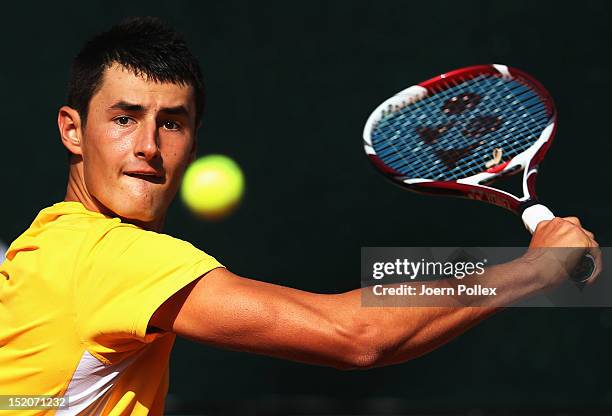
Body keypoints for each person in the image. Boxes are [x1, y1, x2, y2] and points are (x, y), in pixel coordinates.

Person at [0, 17, 600, 416]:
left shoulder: (41, 248)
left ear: (194, 139)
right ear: (73, 131)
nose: (150, 146)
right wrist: (532, 271)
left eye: (172, 123)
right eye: (125, 117)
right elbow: (355, 334)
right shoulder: (109, 257)